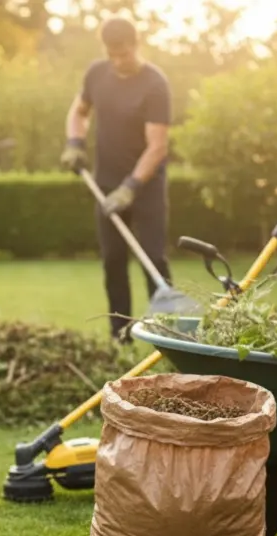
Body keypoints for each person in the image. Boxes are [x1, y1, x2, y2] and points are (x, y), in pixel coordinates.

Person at [62, 16, 173, 343]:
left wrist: (130, 187)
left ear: (136, 45)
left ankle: (167, 334)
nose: (118, 61)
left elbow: (158, 146)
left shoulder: (155, 84)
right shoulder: (97, 73)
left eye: (123, 54)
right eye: (112, 55)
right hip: (105, 185)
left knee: (153, 258)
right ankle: (120, 335)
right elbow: (78, 111)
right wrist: (75, 143)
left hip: (145, 188)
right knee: (113, 261)